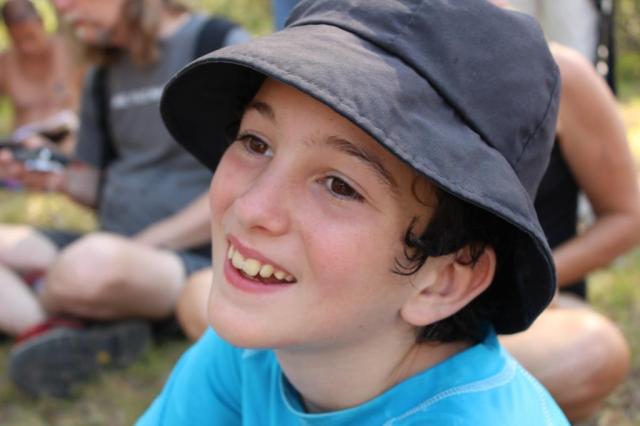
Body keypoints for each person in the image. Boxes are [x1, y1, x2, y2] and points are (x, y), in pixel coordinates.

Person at [138, 0, 570, 423]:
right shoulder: (246, 357)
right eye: (256, 142)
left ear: (444, 280)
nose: (252, 207)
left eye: (339, 186)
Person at [0, 0, 249, 398]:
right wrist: (51, 178)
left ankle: (54, 306)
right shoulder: (102, 73)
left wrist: (142, 244)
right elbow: (93, 185)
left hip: (189, 256)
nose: (60, 7)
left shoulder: (218, 44)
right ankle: (51, 327)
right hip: (112, 244)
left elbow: (251, 183)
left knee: (86, 266)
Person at [500, 41, 640, 422]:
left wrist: (540, 278)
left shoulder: (560, 73)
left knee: (595, 351)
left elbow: (627, 218)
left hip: (530, 311)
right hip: (413, 308)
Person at [0, 0, 80, 154]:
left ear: (41, 23)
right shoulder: (5, 64)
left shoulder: (69, 52)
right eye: (17, 41)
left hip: (71, 139)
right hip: (26, 146)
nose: (26, 47)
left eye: (30, 37)